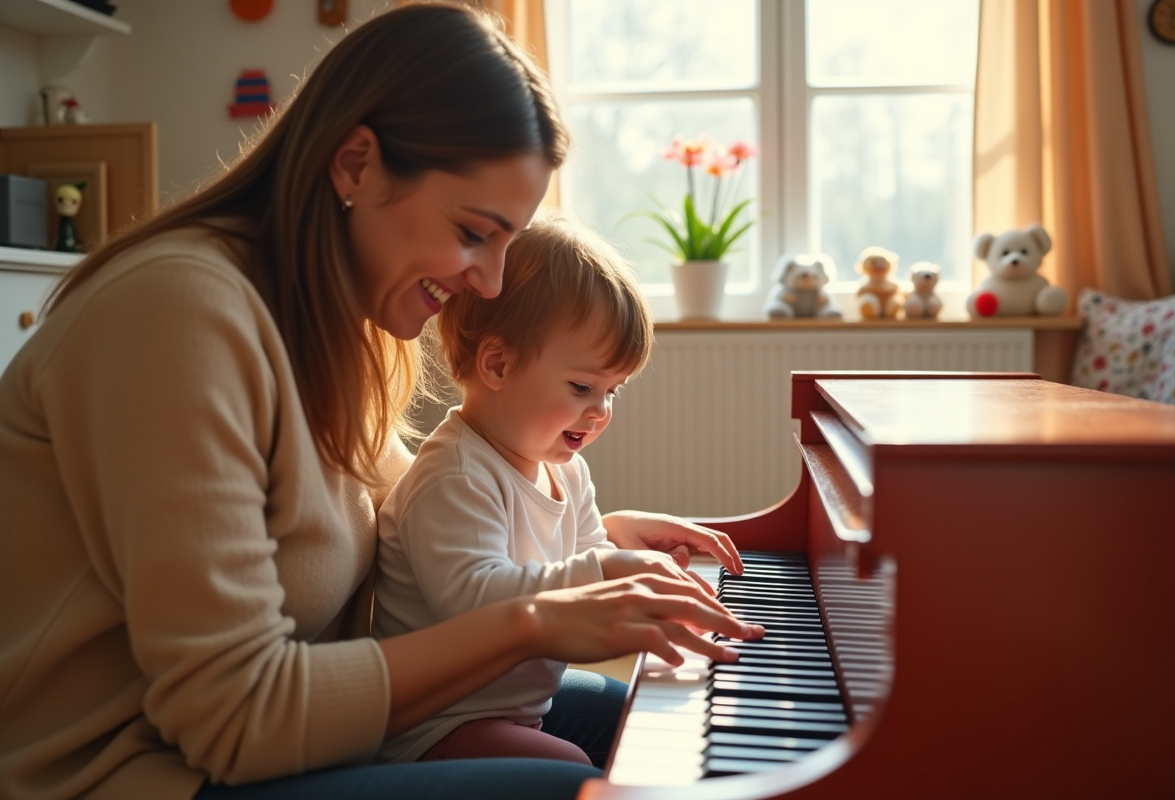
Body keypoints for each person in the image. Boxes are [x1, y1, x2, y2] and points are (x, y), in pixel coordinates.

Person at [0, 4, 760, 800]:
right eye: (474, 232)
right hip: (134, 774)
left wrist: (604, 537)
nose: (491, 283)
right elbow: (233, 719)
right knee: (571, 789)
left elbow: (419, 515)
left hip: (284, 736)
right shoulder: (179, 313)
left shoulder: (342, 330)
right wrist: (541, 615)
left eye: (508, 242)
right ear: (357, 164)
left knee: (654, 720)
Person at [374, 213, 723, 766]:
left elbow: (590, 556)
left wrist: (647, 578)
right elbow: (473, 600)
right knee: (571, 771)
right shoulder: (455, 475)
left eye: (613, 392)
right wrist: (610, 572)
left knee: (638, 707)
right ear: (497, 363)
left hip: (517, 703)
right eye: (584, 386)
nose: (601, 411)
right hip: (438, 722)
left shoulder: (565, 468)